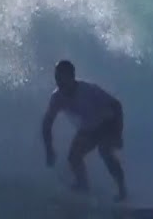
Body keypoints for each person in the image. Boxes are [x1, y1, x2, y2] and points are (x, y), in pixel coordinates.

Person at [40, 59, 128, 201]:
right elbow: (47, 124)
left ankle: (123, 192)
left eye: (61, 78)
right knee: (73, 157)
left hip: (108, 123)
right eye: (56, 78)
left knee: (105, 152)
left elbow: (117, 105)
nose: (58, 82)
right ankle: (83, 187)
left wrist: (118, 134)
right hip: (89, 129)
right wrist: (49, 149)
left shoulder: (88, 90)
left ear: (71, 77)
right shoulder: (57, 97)